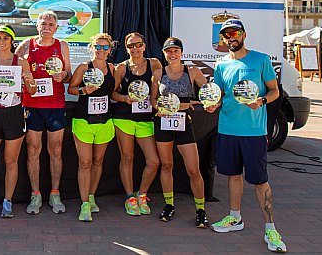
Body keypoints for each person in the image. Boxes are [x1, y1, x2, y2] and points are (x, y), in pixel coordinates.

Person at [207, 19, 286, 253]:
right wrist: (213, 105)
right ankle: (235, 218)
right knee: (233, 176)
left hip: (253, 132)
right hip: (227, 129)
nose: (231, 37)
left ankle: (270, 227)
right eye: (226, 34)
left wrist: (261, 101)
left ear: (243, 34)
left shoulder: (260, 59)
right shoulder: (220, 64)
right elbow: (220, 95)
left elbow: (274, 91)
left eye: (235, 33)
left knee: (260, 181)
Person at [16, 10, 72, 215]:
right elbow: (13, 67)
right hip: (32, 105)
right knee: (33, 149)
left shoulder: (61, 46)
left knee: (56, 149)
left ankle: (55, 193)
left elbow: (69, 76)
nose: (46, 28)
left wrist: (63, 76)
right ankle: (35, 194)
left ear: (56, 28)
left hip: (55, 105)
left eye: (50, 24)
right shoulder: (27, 45)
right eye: (43, 24)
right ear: (37, 25)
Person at [150, 37, 209, 227]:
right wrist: (158, 107)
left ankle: (201, 209)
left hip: (184, 123)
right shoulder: (159, 73)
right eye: (169, 51)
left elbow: (208, 91)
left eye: (176, 51)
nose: (172, 54)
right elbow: (152, 99)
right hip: (164, 123)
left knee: (193, 169)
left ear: (181, 53)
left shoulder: (191, 71)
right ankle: (169, 205)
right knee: (166, 165)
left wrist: (210, 102)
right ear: (164, 53)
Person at [0, 25, 36, 218]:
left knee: (11, 161)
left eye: (5, 38)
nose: (1, 41)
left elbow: (32, 91)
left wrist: (29, 81)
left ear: (12, 41)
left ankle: (7, 201)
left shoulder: (21, 61)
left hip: (13, 113)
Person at [111, 32, 162, 216]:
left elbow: (161, 87)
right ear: (126, 48)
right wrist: (124, 98)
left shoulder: (154, 63)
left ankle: (142, 194)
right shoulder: (122, 68)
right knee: (127, 158)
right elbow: (113, 93)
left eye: (138, 44)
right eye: (131, 46)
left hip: (145, 119)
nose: (135, 48)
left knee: (154, 161)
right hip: (124, 118)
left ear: (144, 46)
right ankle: (130, 197)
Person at [67, 33, 116, 222]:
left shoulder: (113, 68)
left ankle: (92, 196)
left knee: (98, 161)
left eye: (105, 47)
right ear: (92, 47)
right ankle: (84, 203)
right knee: (85, 163)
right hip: (83, 121)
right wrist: (82, 90)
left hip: (104, 121)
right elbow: (71, 88)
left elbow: (115, 92)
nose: (101, 51)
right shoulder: (83, 67)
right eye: (98, 46)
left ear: (110, 50)